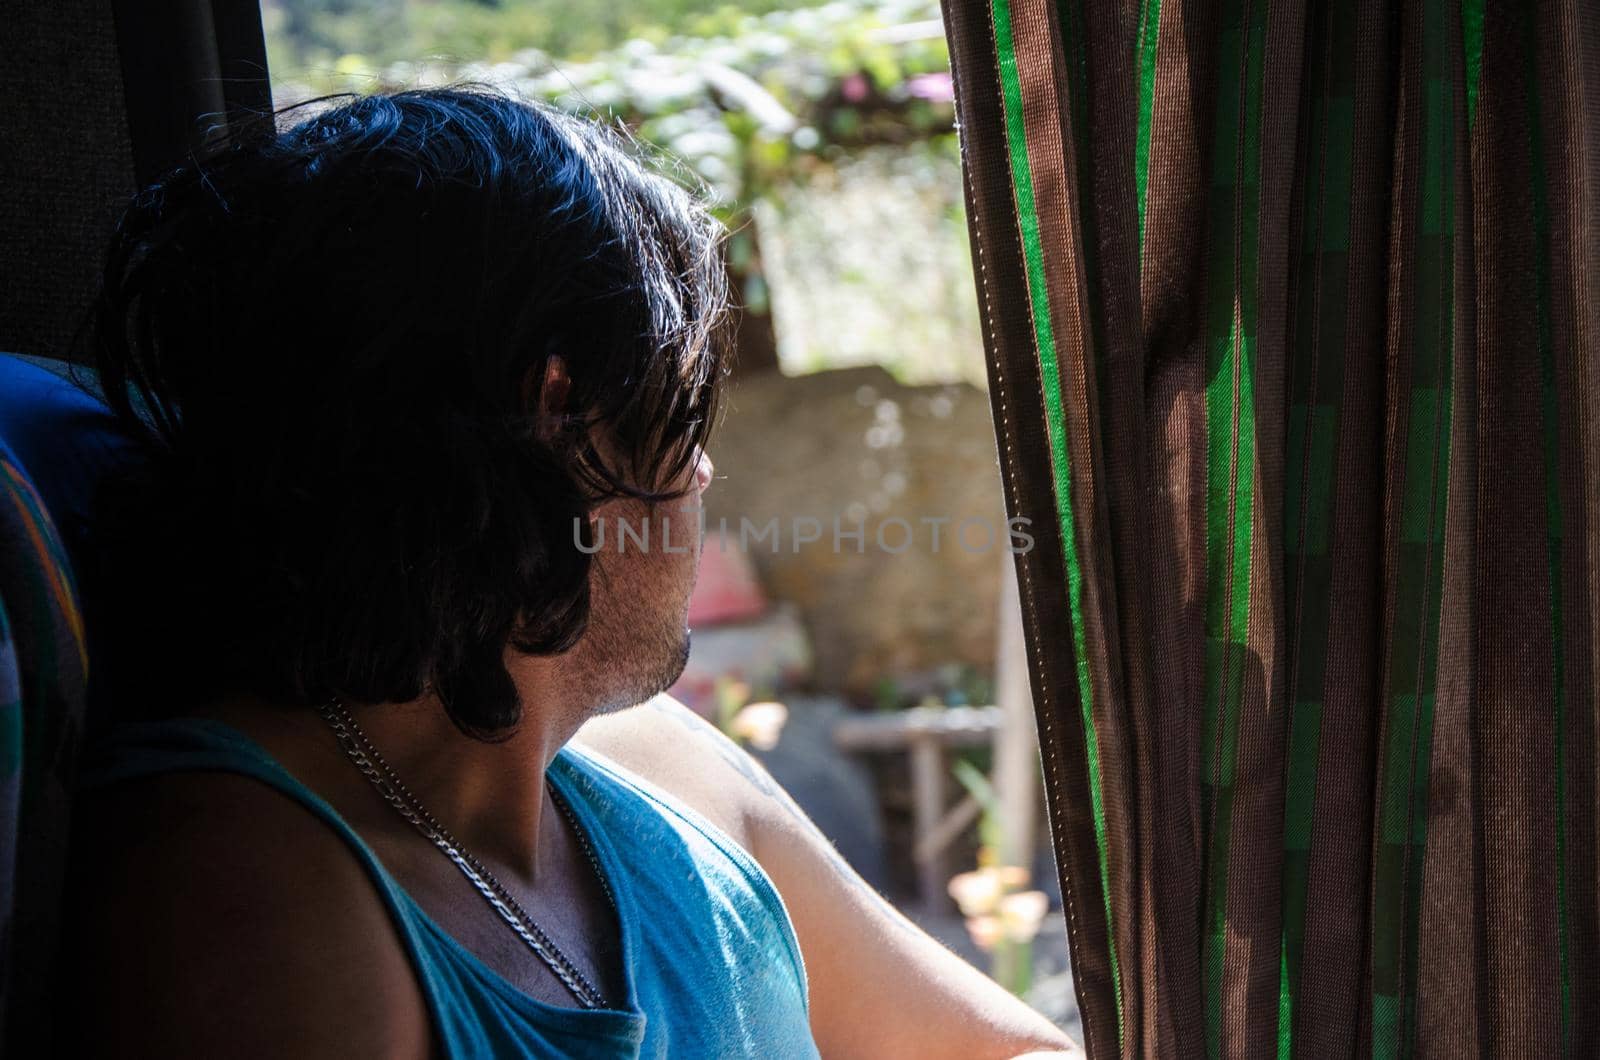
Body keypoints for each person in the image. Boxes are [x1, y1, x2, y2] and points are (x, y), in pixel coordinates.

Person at [62, 87, 1078, 1058]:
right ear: (568, 421)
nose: (707, 469)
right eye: (683, 413)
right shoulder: (249, 898)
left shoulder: (657, 764)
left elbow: (1006, 1048)